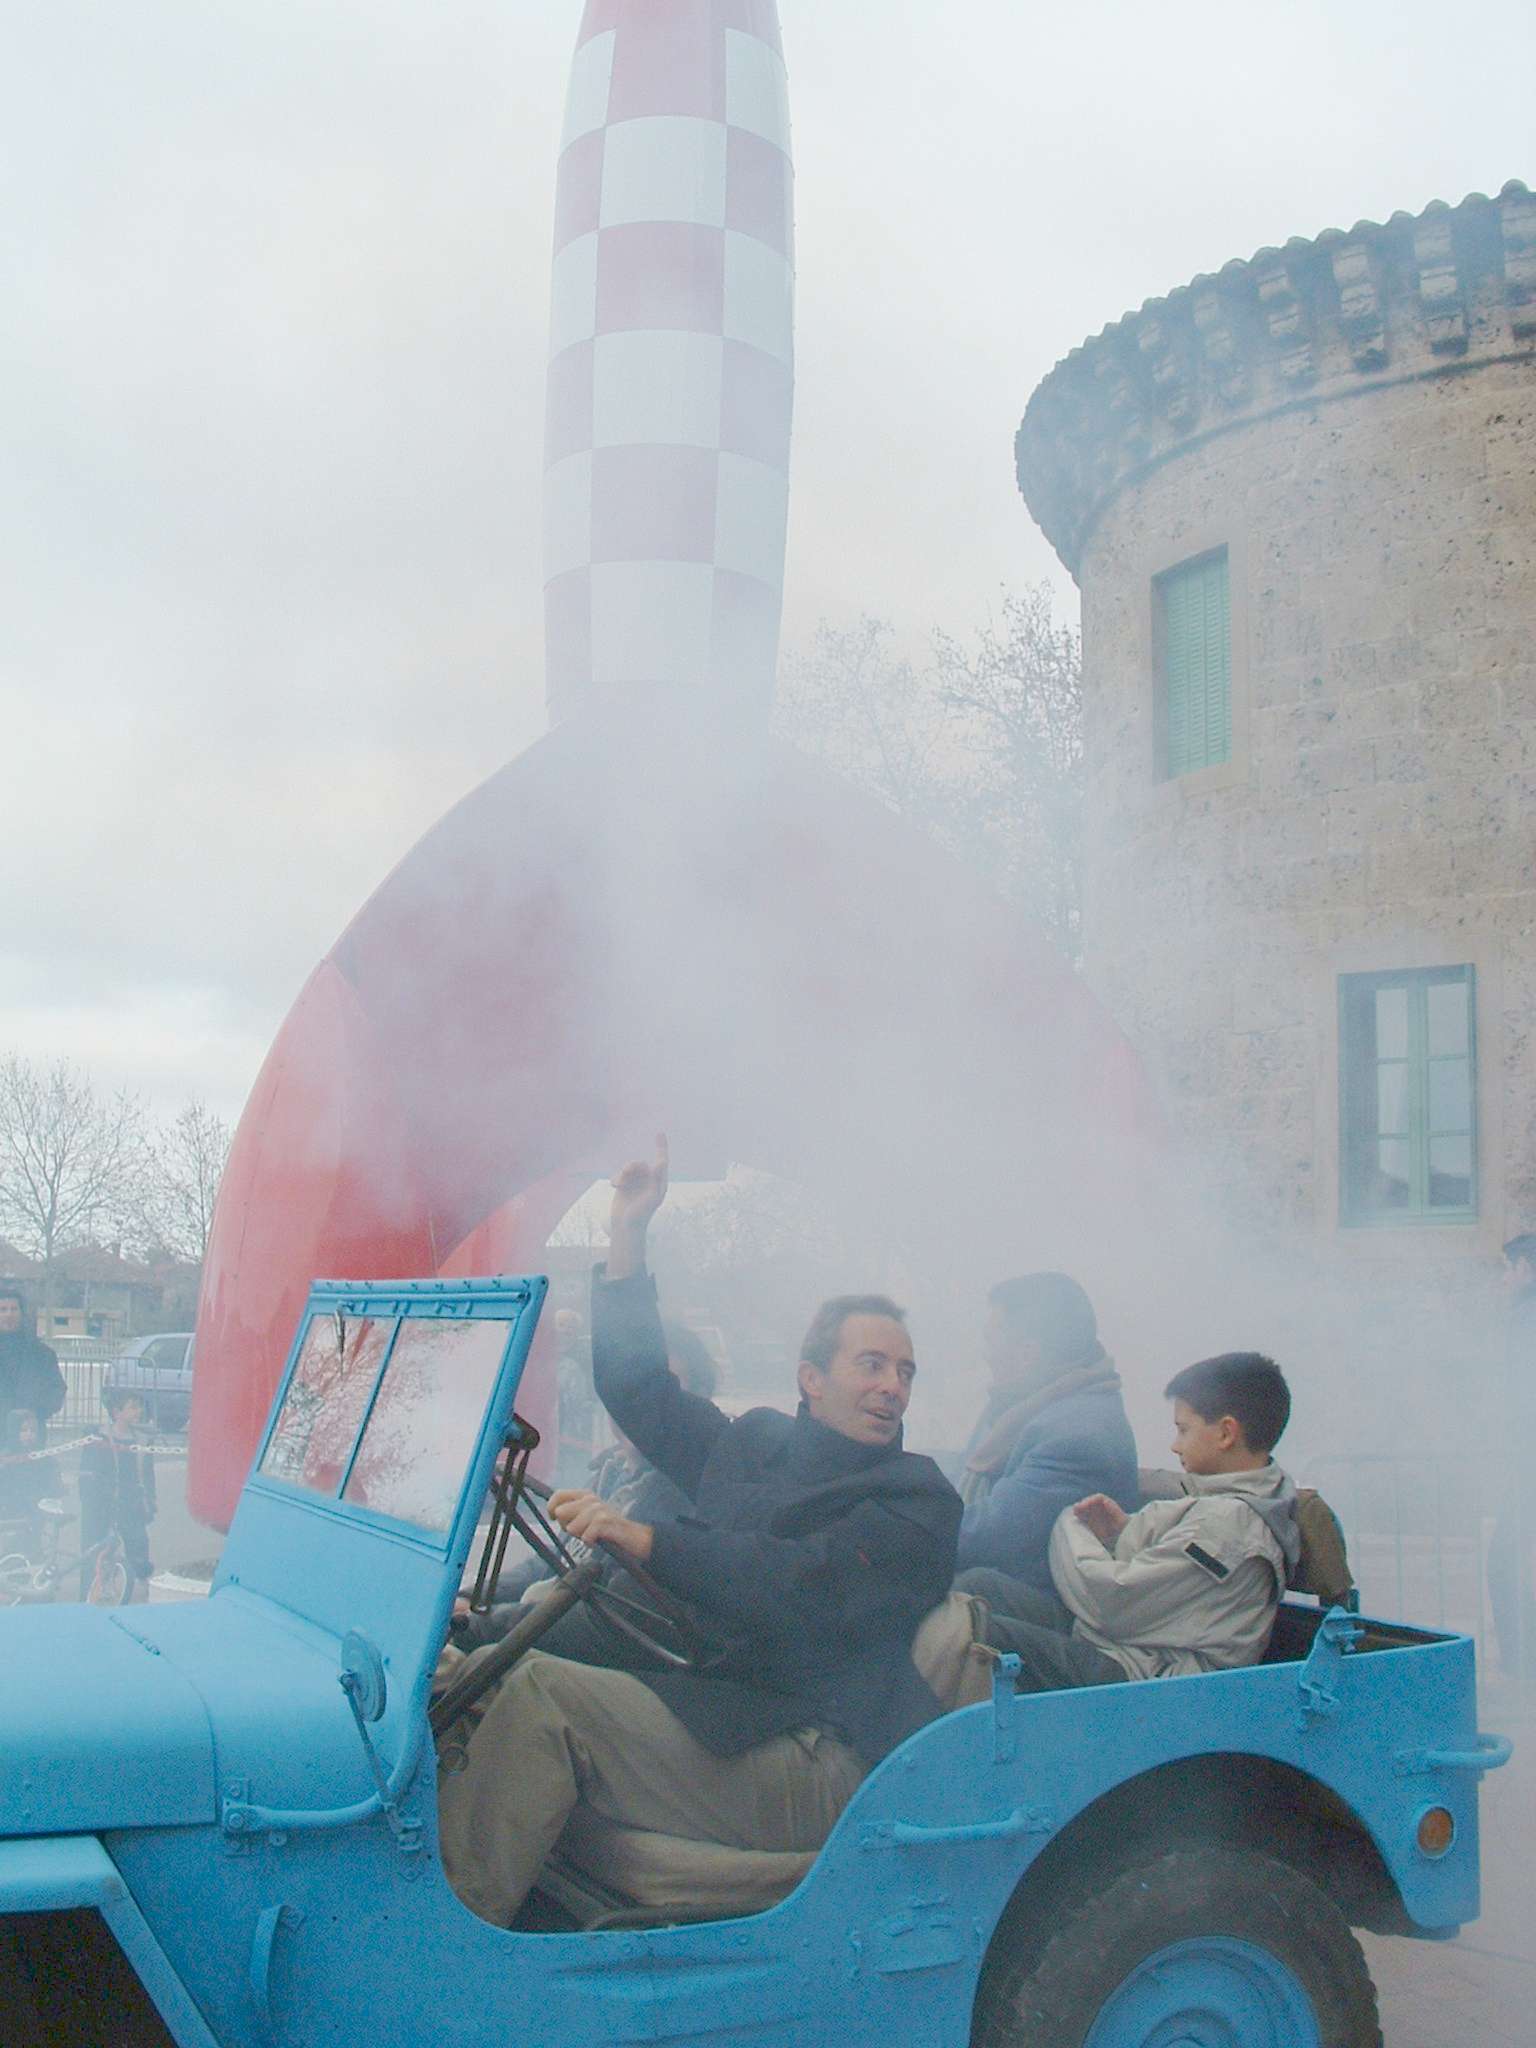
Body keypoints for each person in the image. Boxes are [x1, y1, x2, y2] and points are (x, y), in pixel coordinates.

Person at [437, 1135, 962, 1928]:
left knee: (545, 1696)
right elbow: (641, 1389)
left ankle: (445, 1952)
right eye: (873, 1365)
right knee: (471, 1670)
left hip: (819, 1749)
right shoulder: (755, 1446)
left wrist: (649, 1541)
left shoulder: (917, 1500)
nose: (893, 1387)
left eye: (905, 1372)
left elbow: (802, 1585)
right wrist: (627, 1235)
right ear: (811, 1379)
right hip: (719, 1710)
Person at [985, 1352, 1300, 1694]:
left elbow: (1110, 1600)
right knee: (984, 1587)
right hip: (1131, 1647)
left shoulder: (1230, 1526)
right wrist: (1120, 1533)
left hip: (1146, 1679)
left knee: (978, 1631)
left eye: (1183, 1429)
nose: (1174, 1444)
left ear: (1226, 1433)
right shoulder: (1235, 1501)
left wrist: (1069, 1525)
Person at [451, 1321, 719, 1649]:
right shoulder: (611, 1473)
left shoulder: (684, 1504)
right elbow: (557, 1557)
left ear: (695, 1409)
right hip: (536, 1621)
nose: (637, 1412)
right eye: (630, 1394)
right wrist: (468, 1597)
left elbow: (601, 1611)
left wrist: (476, 1627)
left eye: (659, 1397)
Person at [953, 1272, 1138, 1604]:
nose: (986, 1354)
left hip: (1050, 1613)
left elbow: (993, 1537)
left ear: (1026, 1353)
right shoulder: (1023, 1407)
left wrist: (900, 1527)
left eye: (991, 1340)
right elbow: (965, 1466)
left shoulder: (1078, 1435)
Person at [1489, 1233, 1536, 1679]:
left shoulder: (1526, 1319)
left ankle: (1523, 1668)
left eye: (1508, 1268)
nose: (1504, 1279)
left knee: (1508, 1564)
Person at [78, 1388, 157, 1601]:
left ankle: (140, 1592)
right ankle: (88, 1593)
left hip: (131, 1503)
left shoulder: (142, 1441)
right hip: (102, 1503)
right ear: (116, 1412)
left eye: (139, 1406)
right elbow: (87, 1475)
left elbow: (148, 1476)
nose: (138, 1411)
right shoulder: (98, 1438)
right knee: (95, 1549)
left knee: (138, 1544)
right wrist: (92, 1502)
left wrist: (150, 1502)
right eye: (132, 1407)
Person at [0, 1285, 65, 1433]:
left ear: (22, 1313)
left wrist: (35, 1412)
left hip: (30, 1434)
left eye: (13, 1309)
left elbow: (57, 1389)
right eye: (3, 1309)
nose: (8, 1314)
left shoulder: (42, 1354)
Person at [0, 1407, 64, 1546]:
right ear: (13, 1431)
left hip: (35, 1515)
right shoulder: (6, 1457)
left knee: (33, 1548)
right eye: (23, 1430)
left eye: (33, 1430)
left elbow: (54, 1485)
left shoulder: (42, 1458)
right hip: (11, 1517)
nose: (29, 1434)